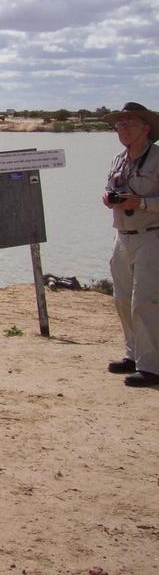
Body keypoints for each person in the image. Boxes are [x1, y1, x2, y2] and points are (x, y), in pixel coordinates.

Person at [102, 102, 159, 387]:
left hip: (152, 236)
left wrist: (143, 203)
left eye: (129, 124)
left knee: (145, 302)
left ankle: (152, 367)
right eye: (119, 125)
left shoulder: (158, 159)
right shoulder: (118, 160)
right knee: (122, 298)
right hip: (122, 236)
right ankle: (134, 355)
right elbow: (111, 188)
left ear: (146, 128)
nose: (122, 129)